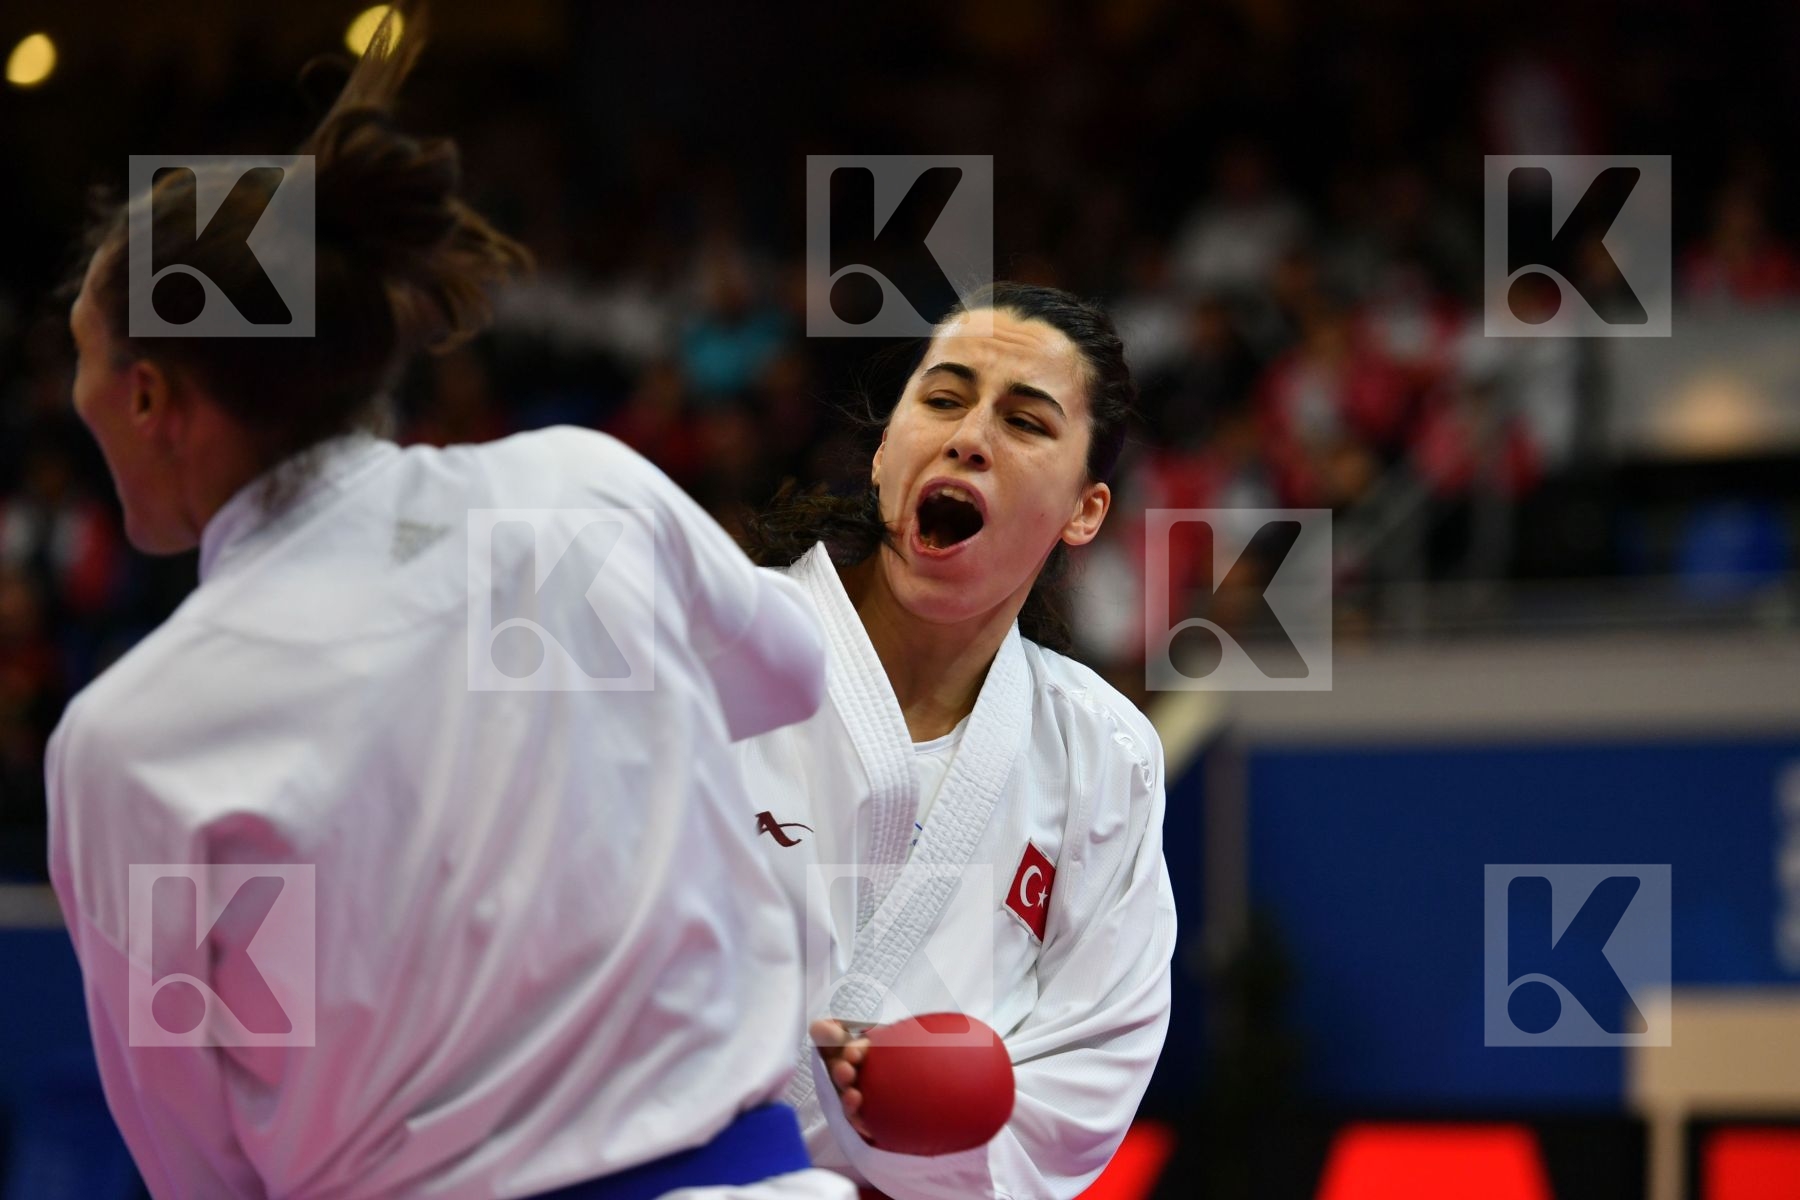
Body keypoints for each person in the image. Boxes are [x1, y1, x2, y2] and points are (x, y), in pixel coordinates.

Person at [46, 6, 851, 1198]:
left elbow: (196, 1151)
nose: (72, 397)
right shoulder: (578, 497)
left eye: (81, 355)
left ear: (152, 397)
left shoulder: (139, 738)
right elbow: (790, 675)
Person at [736, 283, 1178, 1199]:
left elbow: (1091, 1070)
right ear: (883, 453)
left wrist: (909, 1125)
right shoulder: (709, 657)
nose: (970, 436)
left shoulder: (1103, 753)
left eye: (1026, 422)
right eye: (942, 399)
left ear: (1085, 511)